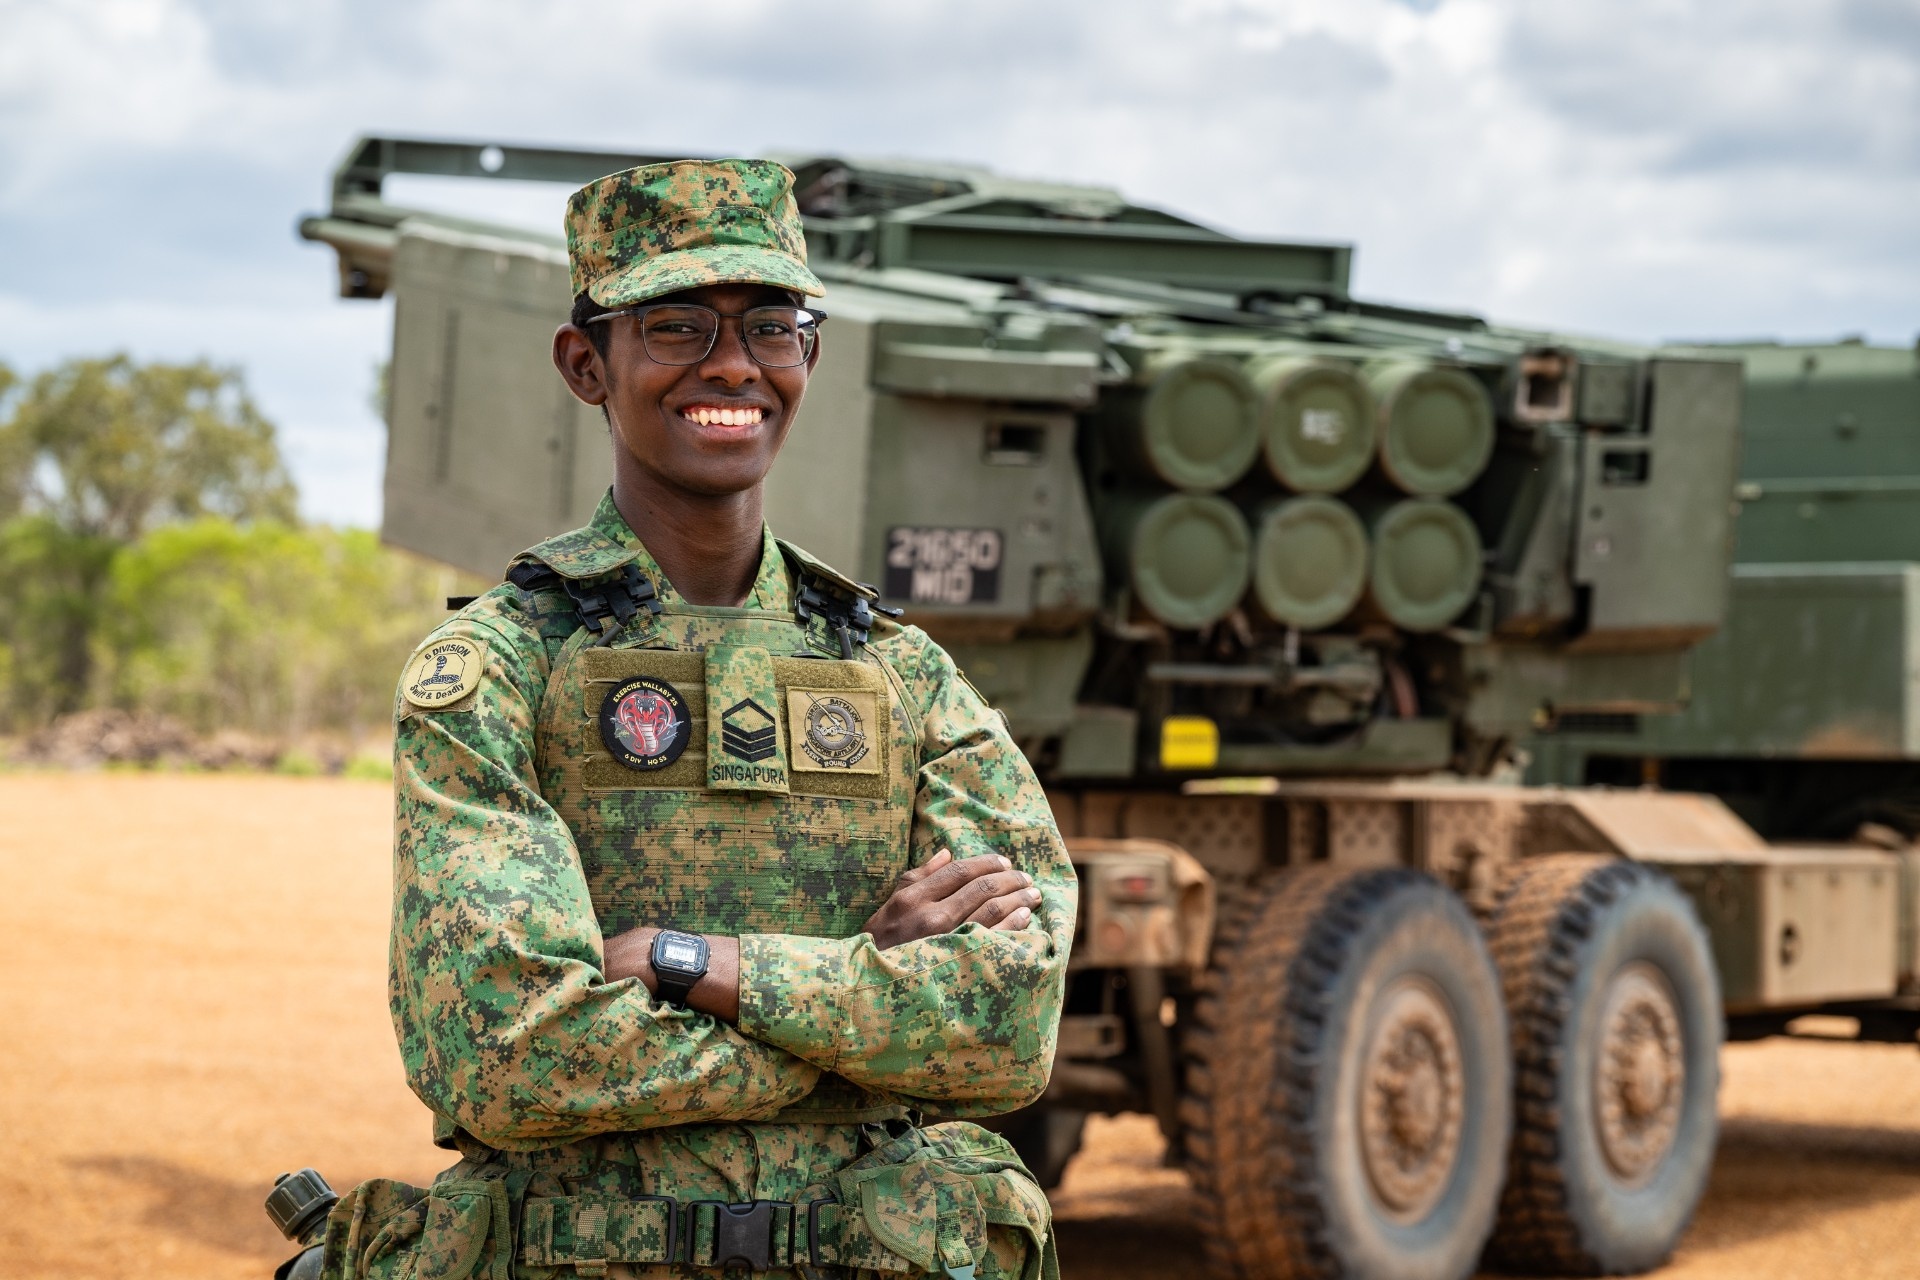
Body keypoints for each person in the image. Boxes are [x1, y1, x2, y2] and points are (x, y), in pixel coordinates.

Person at [319, 159, 1075, 1280]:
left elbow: (1009, 1030)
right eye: (676, 326)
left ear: (808, 357)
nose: (732, 364)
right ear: (587, 364)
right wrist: (862, 1007)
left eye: (771, 325)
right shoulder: (499, 669)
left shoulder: (900, 674)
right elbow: (509, 1057)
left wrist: (695, 963)